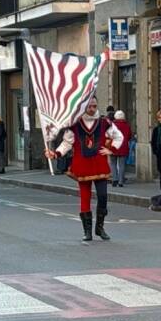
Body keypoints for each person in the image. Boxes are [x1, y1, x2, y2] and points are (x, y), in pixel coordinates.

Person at [45, 99, 124, 241]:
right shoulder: (75, 124)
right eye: (89, 106)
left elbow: (119, 136)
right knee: (85, 198)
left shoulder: (104, 122)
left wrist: (111, 149)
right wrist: (55, 154)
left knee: (103, 196)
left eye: (94, 106)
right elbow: (67, 143)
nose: (92, 109)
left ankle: (100, 228)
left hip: (99, 164)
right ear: (83, 107)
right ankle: (87, 231)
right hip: (82, 165)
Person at [109, 110, 132, 187]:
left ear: (115, 117)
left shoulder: (112, 125)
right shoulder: (127, 125)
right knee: (122, 165)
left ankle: (115, 179)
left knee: (113, 163)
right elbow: (129, 136)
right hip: (123, 146)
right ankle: (121, 181)